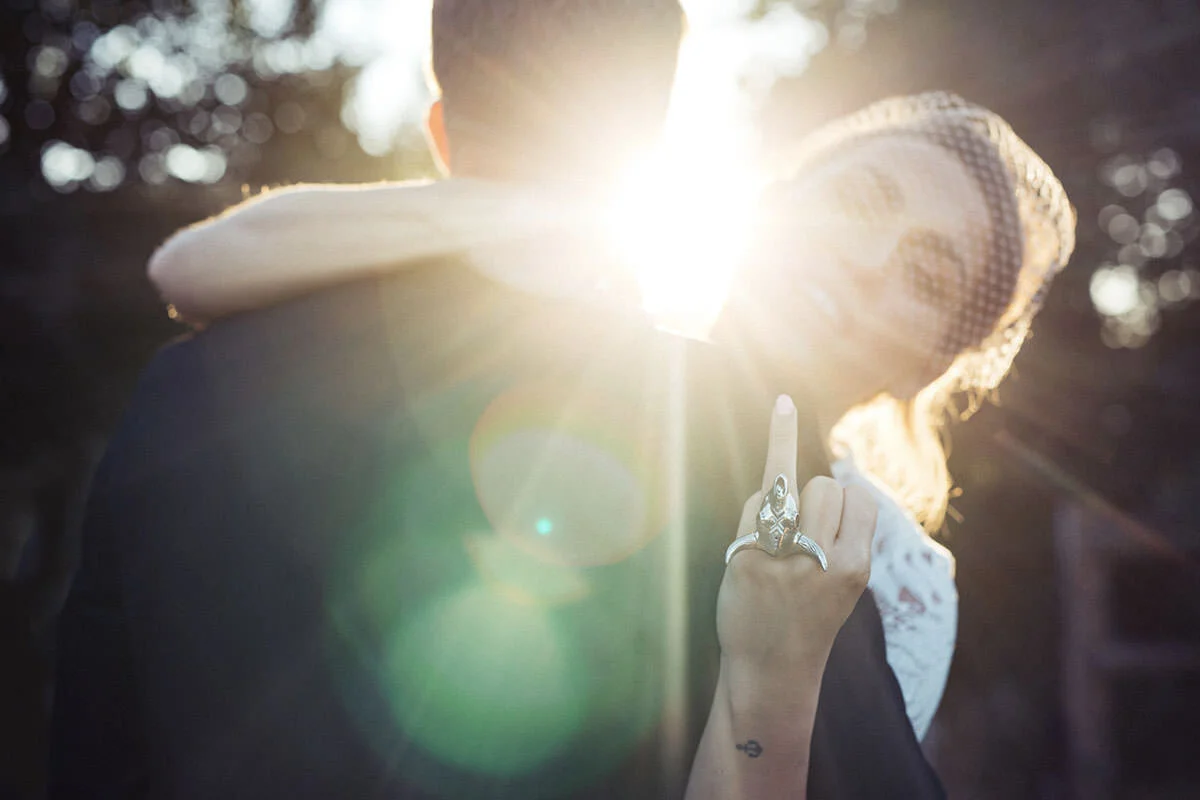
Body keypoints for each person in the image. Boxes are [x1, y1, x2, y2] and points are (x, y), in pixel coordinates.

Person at [51, 1, 1076, 798]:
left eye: (929, 275)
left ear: (939, 367)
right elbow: (197, 263)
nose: (864, 259)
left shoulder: (890, 573)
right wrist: (530, 214)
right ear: (772, 198)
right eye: (859, 200)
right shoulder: (584, 368)